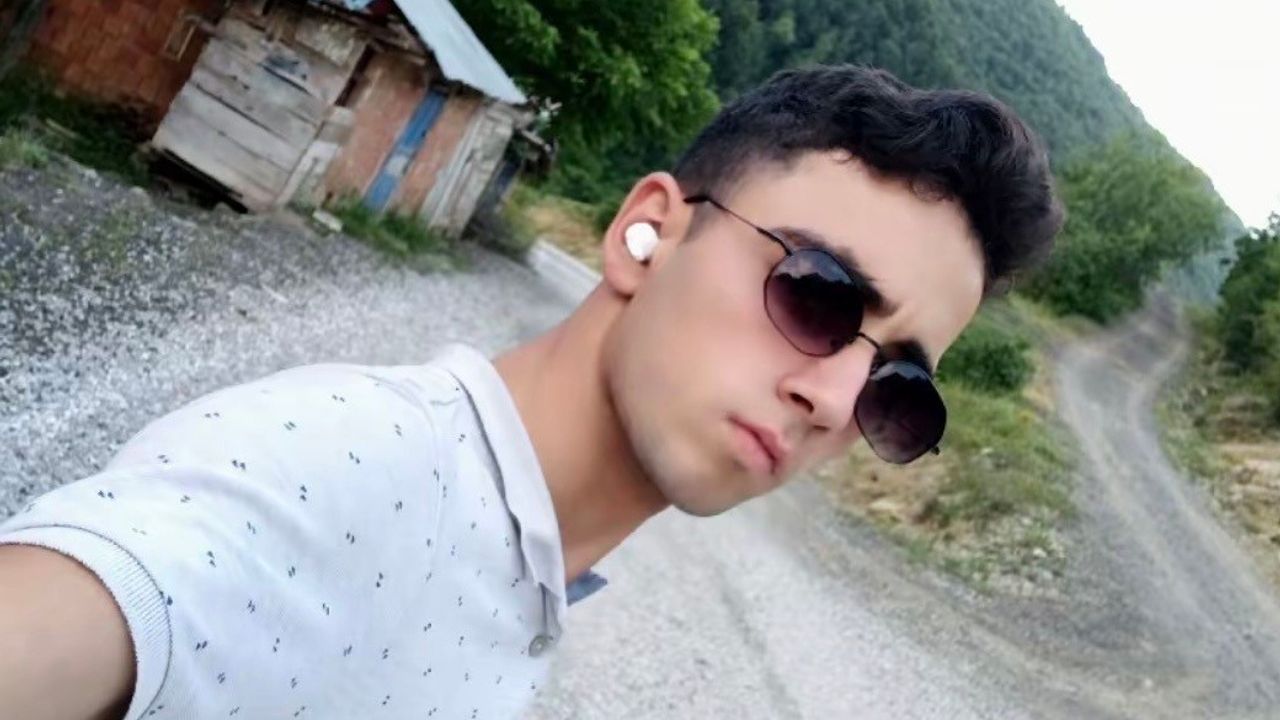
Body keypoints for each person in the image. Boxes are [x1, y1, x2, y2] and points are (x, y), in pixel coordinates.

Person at [0, 64, 1063, 720]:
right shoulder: (349, 467)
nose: (833, 398)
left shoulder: (523, 575)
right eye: (819, 293)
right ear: (647, 233)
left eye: (896, 383)